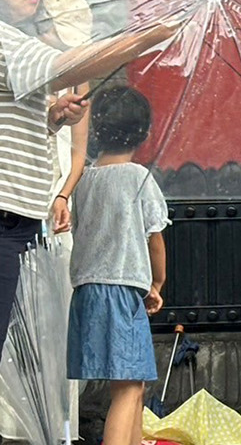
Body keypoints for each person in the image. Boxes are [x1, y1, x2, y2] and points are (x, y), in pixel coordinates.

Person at [0, 0, 178, 376]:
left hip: (10, 219)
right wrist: (144, 38)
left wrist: (54, 116)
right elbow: (69, 66)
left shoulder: (14, 41)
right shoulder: (2, 38)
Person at [63, 86, 164, 445]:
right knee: (129, 387)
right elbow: (155, 239)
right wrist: (158, 284)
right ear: (144, 132)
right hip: (122, 291)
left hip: (87, 292)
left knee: (130, 383)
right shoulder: (138, 178)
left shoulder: (84, 180)